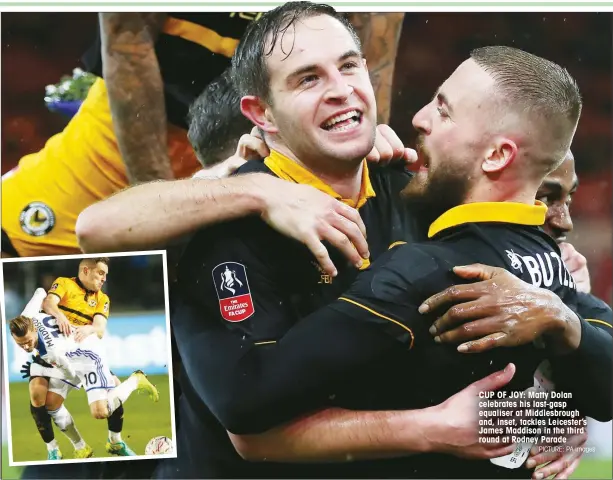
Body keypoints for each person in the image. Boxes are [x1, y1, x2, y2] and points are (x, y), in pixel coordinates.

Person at [1, 11, 404, 259]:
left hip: (281, 162)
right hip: (123, 154)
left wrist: (361, 152)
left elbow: (372, 61)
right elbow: (127, 47)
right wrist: (165, 217)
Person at [10, 311, 159, 460]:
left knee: (101, 411)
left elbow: (70, 374)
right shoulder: (30, 316)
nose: (25, 346)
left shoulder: (52, 352)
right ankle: (81, 447)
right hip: (70, 355)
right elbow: (41, 293)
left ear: (34, 330)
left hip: (88, 357)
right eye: (20, 343)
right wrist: (58, 314)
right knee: (51, 404)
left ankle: (135, 381)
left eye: (28, 341)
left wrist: (39, 369)